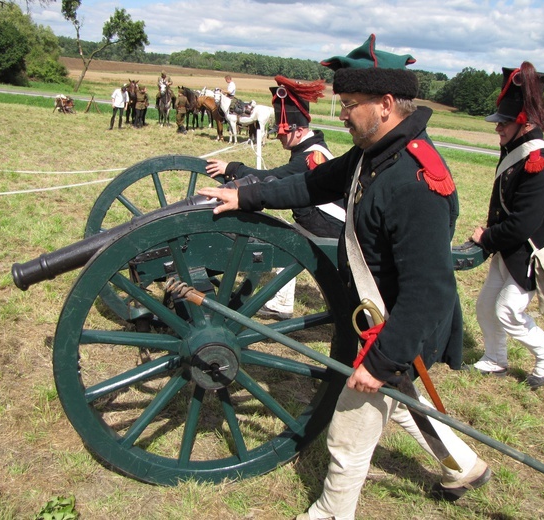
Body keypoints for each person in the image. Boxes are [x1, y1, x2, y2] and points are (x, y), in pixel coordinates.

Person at [198, 34, 490, 519]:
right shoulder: (374, 154)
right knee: (401, 399)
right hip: (374, 316)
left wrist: (380, 363)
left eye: (351, 105)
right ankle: (465, 464)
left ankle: (332, 514)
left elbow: (428, 292)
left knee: (349, 434)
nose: (342, 115)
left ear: (387, 104)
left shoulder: (415, 180)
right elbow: (312, 183)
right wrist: (244, 196)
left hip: (398, 328)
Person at [469, 61, 544, 389]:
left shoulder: (539, 161)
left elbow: (523, 224)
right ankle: (495, 358)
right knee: (486, 304)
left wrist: (487, 236)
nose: (498, 128)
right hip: (511, 248)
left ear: (525, 123)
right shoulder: (518, 152)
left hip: (530, 251)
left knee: (507, 310)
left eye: (504, 122)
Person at [205, 75, 345, 320]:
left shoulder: (311, 157)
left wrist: (233, 168)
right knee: (288, 242)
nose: (278, 136)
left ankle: (283, 304)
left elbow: (273, 178)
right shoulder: (305, 150)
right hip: (316, 219)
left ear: (299, 130)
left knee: (288, 241)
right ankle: (281, 304)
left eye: (282, 131)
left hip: (331, 223)